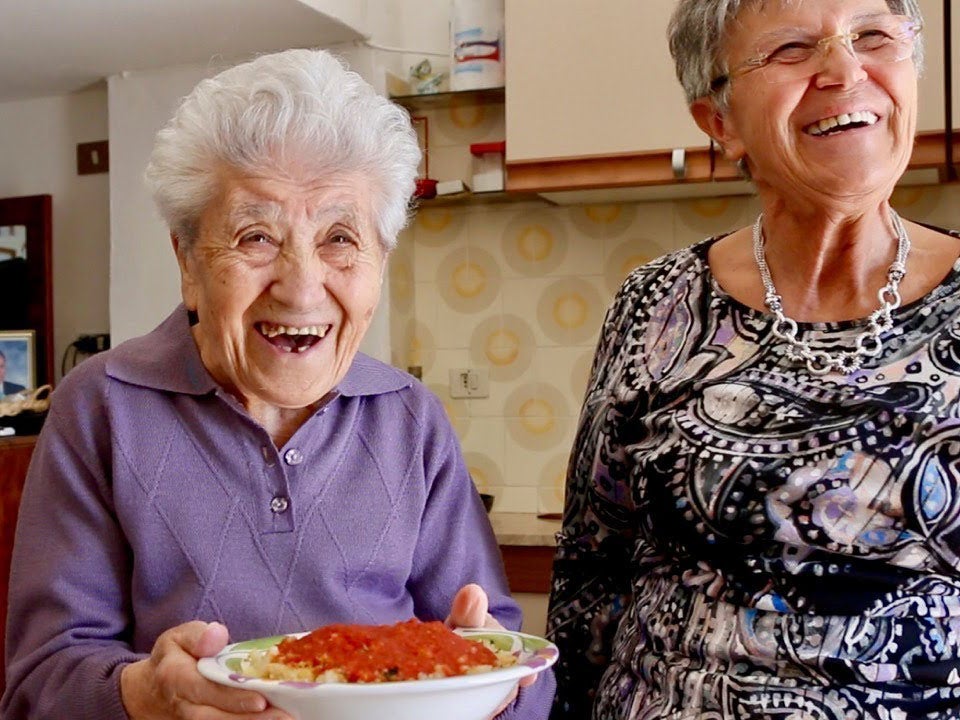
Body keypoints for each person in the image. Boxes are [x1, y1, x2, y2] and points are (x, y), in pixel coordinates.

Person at [1, 48, 553, 720]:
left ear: (380, 260)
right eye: (256, 236)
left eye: (341, 238)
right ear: (187, 260)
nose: (300, 287)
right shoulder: (100, 408)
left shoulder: (410, 419)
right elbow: (36, 687)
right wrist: (144, 696)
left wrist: (489, 687)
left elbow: (525, 678)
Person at [548, 0, 960, 718]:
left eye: (871, 35)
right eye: (793, 49)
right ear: (720, 122)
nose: (844, 68)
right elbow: (591, 578)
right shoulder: (654, 304)